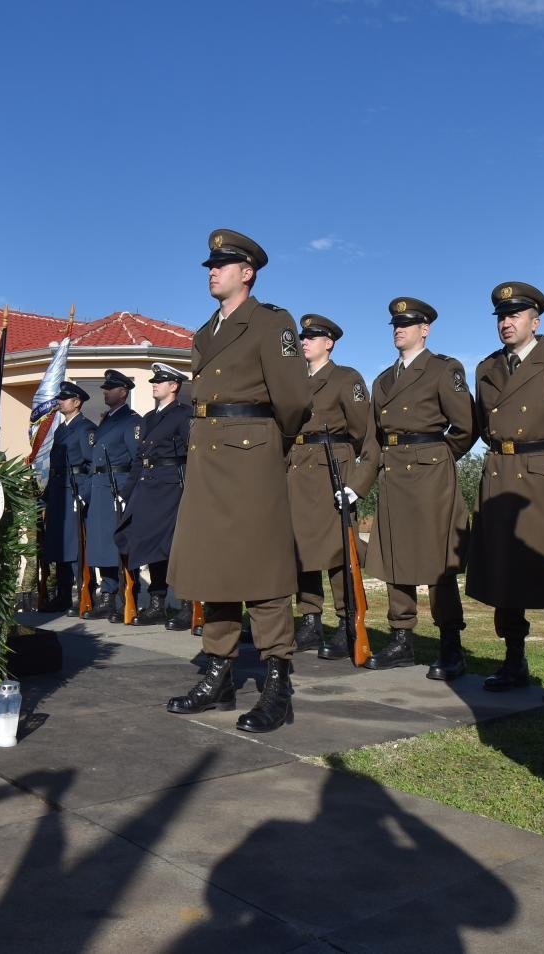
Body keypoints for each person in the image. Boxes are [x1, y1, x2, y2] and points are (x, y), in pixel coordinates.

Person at [166, 229, 310, 733]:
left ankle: (278, 684)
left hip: (252, 455)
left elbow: (294, 401)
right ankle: (220, 673)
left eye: (222, 264)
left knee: (263, 571)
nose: (212, 271)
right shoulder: (205, 333)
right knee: (214, 569)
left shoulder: (273, 323)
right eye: (210, 264)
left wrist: (269, 446)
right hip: (207, 457)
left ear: (247, 272)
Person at [465, 282, 544, 704]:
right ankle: (514, 661)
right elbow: (480, 423)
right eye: (501, 316)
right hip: (501, 471)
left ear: (536, 320)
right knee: (505, 574)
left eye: (515, 315)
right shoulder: (486, 368)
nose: (506, 322)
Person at [363, 297, 476, 678]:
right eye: (396, 324)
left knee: (436, 559)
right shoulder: (382, 381)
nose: (400, 329)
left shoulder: (443, 369)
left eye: (408, 323)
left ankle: (450, 645)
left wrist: (440, 459)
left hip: (430, 472)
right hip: (393, 472)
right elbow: (375, 436)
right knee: (397, 557)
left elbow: (465, 427)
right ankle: (401, 638)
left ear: (425, 329)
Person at [285, 314, 375, 659]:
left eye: (311, 336)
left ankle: (348, 621)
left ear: (329, 342)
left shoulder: (345, 378)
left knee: (340, 551)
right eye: (302, 336)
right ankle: (310, 620)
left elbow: (363, 434)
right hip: (298, 469)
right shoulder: (294, 381)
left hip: (330, 471)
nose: (304, 341)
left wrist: (355, 481)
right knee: (302, 551)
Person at [122, 363, 191, 628]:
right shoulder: (149, 418)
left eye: (160, 381)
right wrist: (127, 492)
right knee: (150, 546)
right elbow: (140, 458)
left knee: (174, 547)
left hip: (172, 487)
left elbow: (190, 455)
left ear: (173, 386)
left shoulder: (183, 415)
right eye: (153, 381)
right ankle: (156, 603)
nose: (154, 384)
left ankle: (187, 605)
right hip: (148, 488)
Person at [82, 370, 141, 623]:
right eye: (105, 388)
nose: (104, 391)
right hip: (100, 486)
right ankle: (107, 595)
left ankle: (125, 596)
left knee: (118, 543)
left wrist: (127, 492)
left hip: (117, 486)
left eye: (110, 388)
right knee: (100, 542)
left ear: (123, 392)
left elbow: (136, 457)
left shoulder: (131, 421)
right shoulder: (106, 420)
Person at [38, 382, 96, 616]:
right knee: (60, 548)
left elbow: (92, 465)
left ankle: (83, 594)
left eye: (65, 398)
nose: (60, 402)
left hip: (74, 490)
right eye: (60, 398)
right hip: (59, 492)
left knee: (75, 548)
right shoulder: (61, 429)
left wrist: (84, 494)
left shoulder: (85, 428)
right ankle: (62, 596)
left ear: (77, 402)